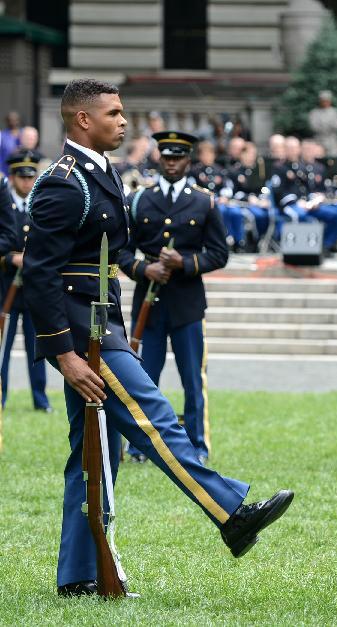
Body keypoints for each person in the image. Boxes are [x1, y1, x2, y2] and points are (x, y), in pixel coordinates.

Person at [24, 78, 293, 596]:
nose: (124, 121)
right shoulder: (65, 181)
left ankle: (79, 574)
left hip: (103, 324)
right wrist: (63, 353)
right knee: (156, 419)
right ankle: (230, 512)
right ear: (83, 119)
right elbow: (41, 275)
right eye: (114, 113)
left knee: (94, 453)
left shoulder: (98, 174)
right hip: (84, 335)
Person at [118, 131, 229, 466]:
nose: (171, 163)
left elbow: (219, 253)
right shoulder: (139, 200)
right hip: (148, 305)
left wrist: (187, 263)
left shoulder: (204, 201)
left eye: (178, 157)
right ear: (159, 159)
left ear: (188, 160)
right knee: (143, 380)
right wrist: (143, 269)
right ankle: (140, 445)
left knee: (193, 379)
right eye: (166, 157)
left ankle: (198, 445)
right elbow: (122, 252)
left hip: (187, 305)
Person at [1, 151, 52, 412]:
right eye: (22, 177)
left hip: (33, 290)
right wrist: (10, 259)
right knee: (3, 346)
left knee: (37, 348)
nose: (27, 183)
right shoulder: (3, 205)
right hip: (6, 287)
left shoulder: (41, 206)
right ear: (13, 178)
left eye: (31, 177)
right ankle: (1, 397)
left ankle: (40, 400)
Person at [309, 90, 337, 157]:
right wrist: (328, 125)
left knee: (333, 159)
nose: (325, 102)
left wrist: (326, 126)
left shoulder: (335, 112)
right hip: (319, 140)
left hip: (332, 141)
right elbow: (313, 126)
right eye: (323, 100)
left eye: (327, 100)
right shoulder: (315, 112)